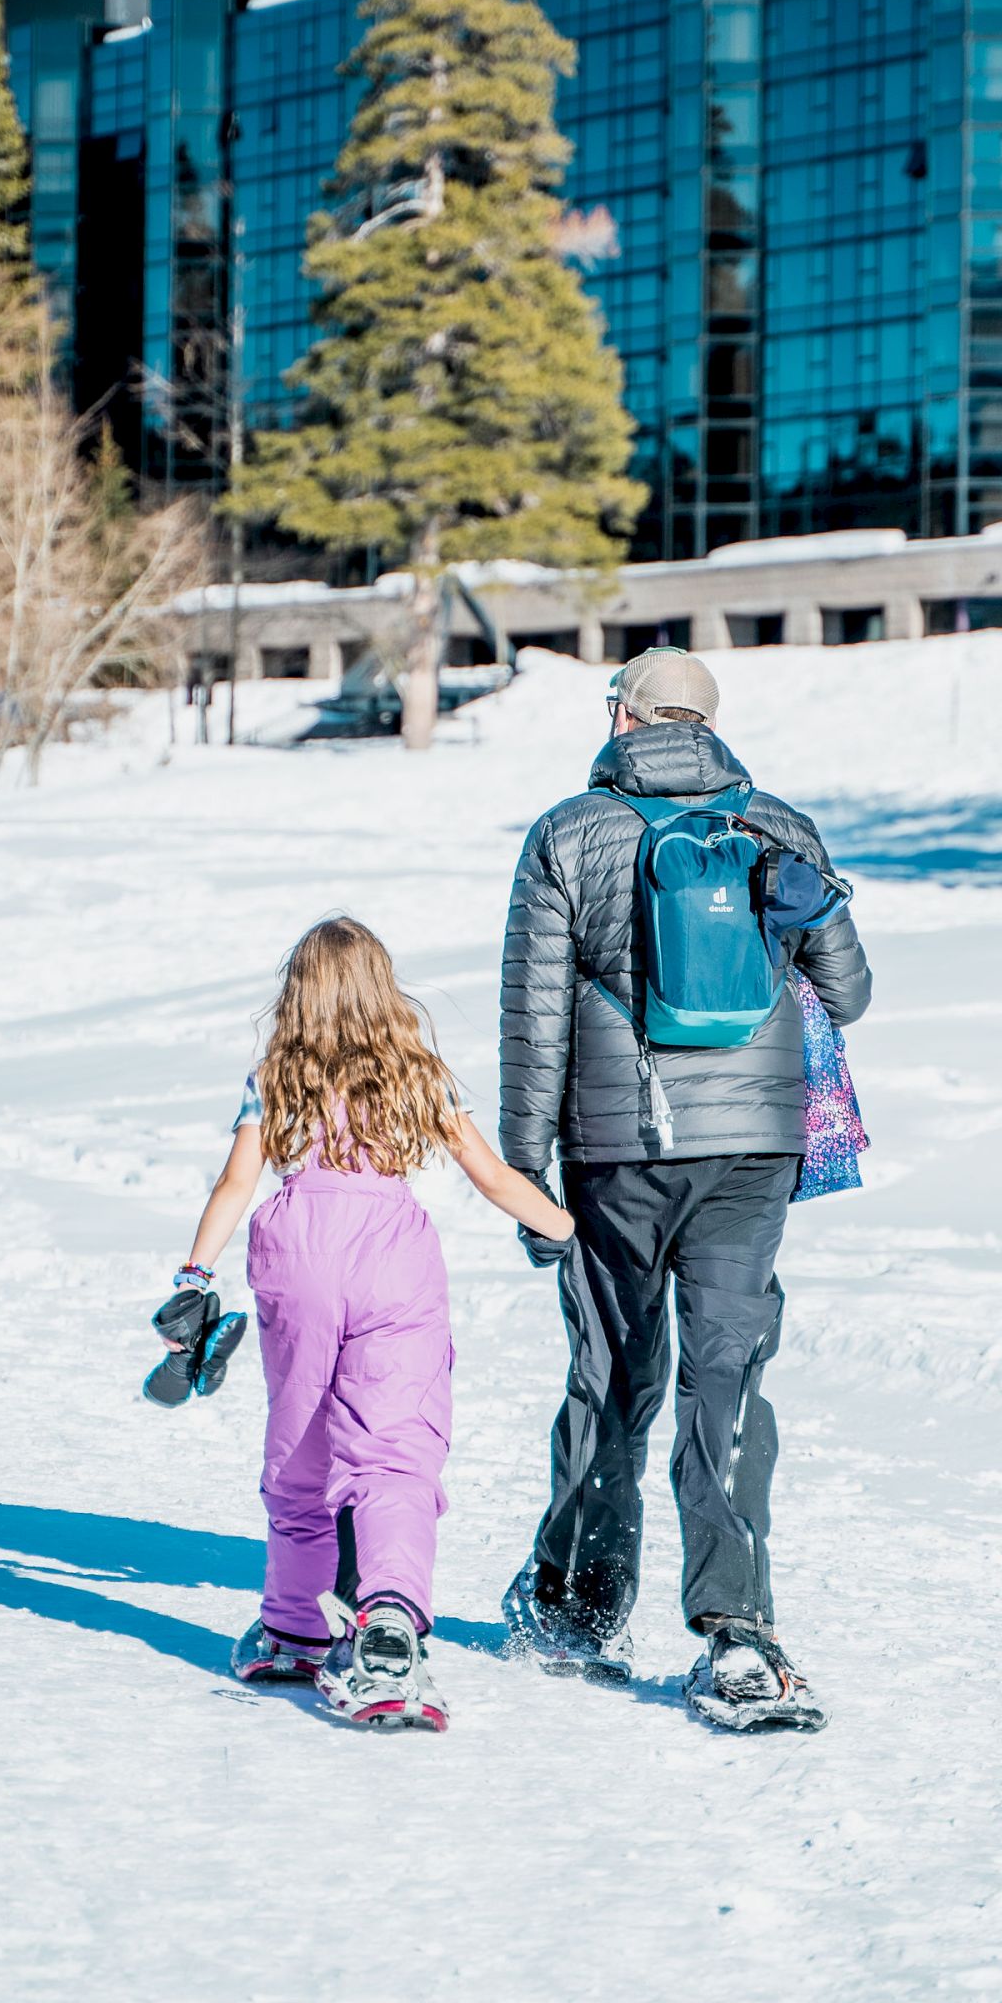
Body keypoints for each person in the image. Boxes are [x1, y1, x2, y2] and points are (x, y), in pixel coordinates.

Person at [497, 647, 872, 1732]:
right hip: (754, 1147)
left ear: (625, 716)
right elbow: (846, 993)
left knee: (612, 1372)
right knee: (728, 1379)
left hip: (617, 1149)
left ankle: (578, 1609)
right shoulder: (780, 829)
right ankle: (737, 1632)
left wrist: (526, 1173)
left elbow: (536, 1020)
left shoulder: (568, 832)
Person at [165, 915, 574, 1733]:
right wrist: (566, 1229)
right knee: (391, 1450)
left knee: (303, 1443)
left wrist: (193, 1274)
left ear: (299, 994)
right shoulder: (415, 1073)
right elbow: (489, 1175)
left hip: (297, 1262)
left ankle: (292, 1628)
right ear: (384, 993)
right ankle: (387, 1623)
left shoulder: (276, 1074)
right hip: (394, 1264)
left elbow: (235, 1181)